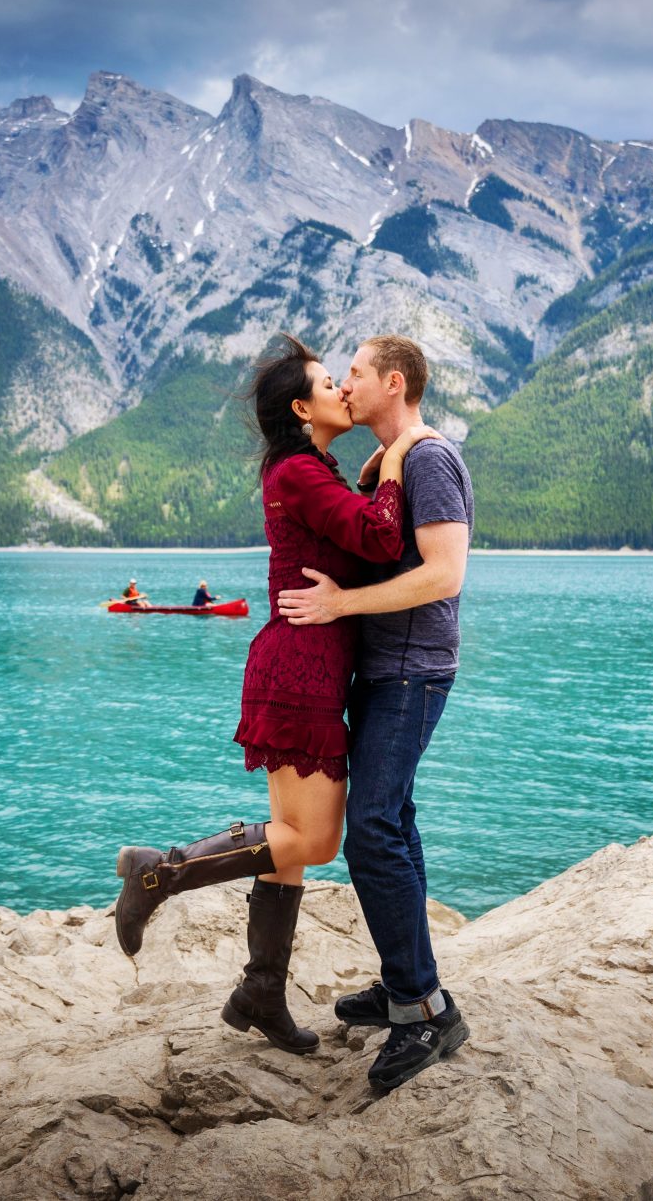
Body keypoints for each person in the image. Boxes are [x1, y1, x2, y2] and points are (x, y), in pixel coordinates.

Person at [111, 333, 439, 1058]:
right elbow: (381, 538)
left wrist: (373, 470)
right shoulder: (298, 469)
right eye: (330, 383)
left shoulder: (311, 468)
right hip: (301, 670)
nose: (343, 390)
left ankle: (261, 987)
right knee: (315, 839)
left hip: (305, 665)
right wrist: (400, 455)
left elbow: (348, 539)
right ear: (302, 406)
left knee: (287, 843)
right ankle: (157, 872)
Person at [276, 334, 473, 1094]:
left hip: (412, 672)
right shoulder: (391, 462)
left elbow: (445, 573)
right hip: (385, 669)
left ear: (394, 382)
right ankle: (408, 986)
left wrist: (341, 603)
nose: (345, 383)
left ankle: (424, 1013)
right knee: (395, 822)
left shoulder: (428, 459)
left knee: (372, 832)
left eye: (354, 372)